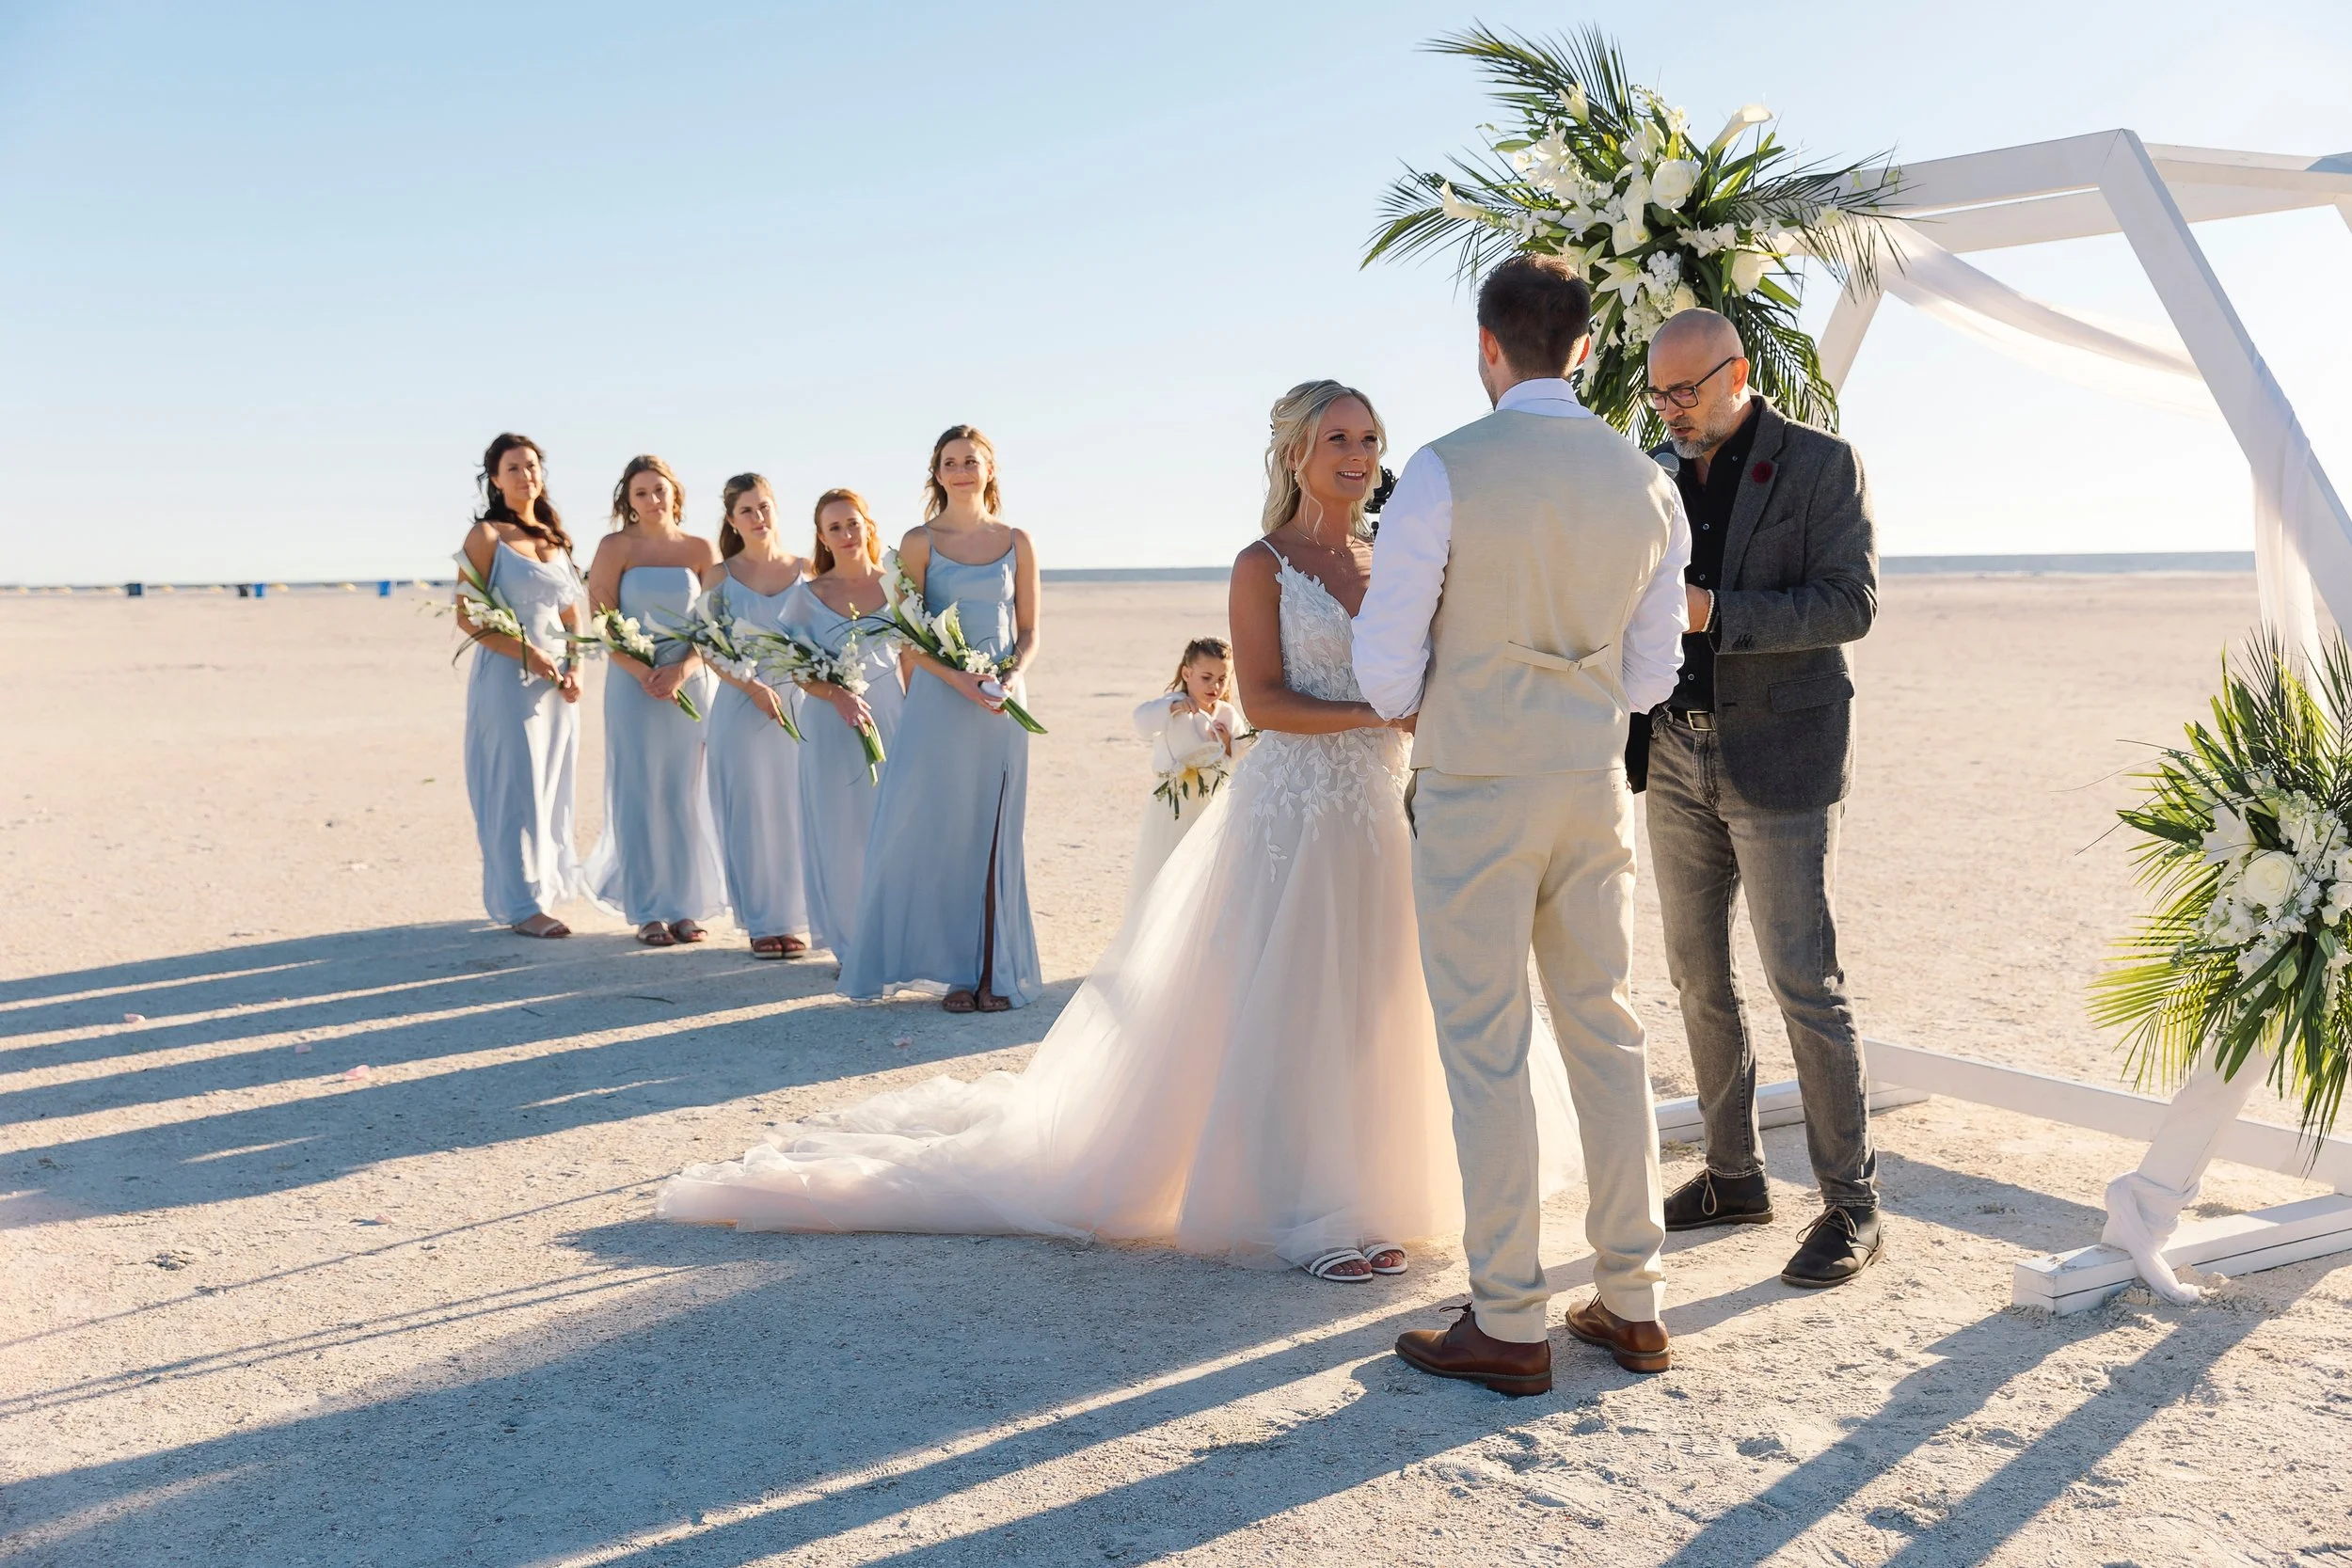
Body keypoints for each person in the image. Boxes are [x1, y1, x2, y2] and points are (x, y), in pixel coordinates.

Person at [657, 381, 1582, 1285]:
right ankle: (1306, 1207)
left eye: (1369, 439)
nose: (1358, 456)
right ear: (1296, 452)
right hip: (1295, 810)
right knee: (1292, 1005)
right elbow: (1263, 702)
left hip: (1383, 809)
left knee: (1379, 1001)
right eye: (1337, 438)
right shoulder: (1262, 563)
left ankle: (1377, 1192)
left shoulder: (1394, 556)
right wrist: (1381, 713)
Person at [1356, 255, 1692, 1393]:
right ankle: (1634, 1302)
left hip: (1476, 783)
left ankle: (1507, 1317)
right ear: (1585, 349)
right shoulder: (1647, 485)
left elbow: (1383, 663)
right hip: (1592, 783)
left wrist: (1450, 693)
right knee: (1608, 1029)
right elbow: (1651, 676)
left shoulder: (1444, 469)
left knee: (1486, 1044)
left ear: (1486, 347)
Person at [1638, 307, 1883, 1289]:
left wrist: (1715, 613)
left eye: (1685, 390)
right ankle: (1733, 1176)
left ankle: (1852, 1203)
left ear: (1737, 373)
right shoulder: (1652, 474)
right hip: (1670, 748)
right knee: (1696, 977)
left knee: (1803, 982)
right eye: (1658, 393)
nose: (1669, 409)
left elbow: (1851, 603)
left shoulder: (1823, 463)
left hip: (1782, 753)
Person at [839, 427, 1042, 1012]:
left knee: (995, 832)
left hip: (1001, 702)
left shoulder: (1018, 541)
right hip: (940, 699)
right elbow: (907, 636)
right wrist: (957, 680)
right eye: (950, 462)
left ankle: (993, 972)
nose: (961, 471)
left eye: (971, 461)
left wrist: (1010, 677)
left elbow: (1030, 630)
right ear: (937, 473)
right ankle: (957, 973)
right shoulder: (918, 541)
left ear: (989, 470)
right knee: (944, 829)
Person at [583, 454, 727, 946]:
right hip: (633, 683)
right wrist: (645, 672)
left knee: (683, 792)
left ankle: (684, 907)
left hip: (689, 681)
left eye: (659, 490)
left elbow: (715, 625)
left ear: (675, 493)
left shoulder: (699, 548)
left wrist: (681, 671)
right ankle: (647, 909)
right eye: (641, 493)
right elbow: (601, 621)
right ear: (628, 500)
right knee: (639, 791)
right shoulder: (615, 547)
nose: (652, 500)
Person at [456, 433, 587, 939]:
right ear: (495, 479)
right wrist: (529, 653)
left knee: (550, 784)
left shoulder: (554, 538)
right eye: (512, 468)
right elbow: (468, 616)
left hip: (556, 686)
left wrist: (576, 668)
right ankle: (522, 904)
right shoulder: (485, 536)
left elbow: (573, 615)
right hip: (508, 679)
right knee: (514, 786)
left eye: (531, 465)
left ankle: (543, 890)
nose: (525, 475)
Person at [777, 487, 907, 964]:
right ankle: (852, 948)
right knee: (839, 831)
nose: (847, 533)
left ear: (868, 525)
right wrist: (837, 695)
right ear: (822, 536)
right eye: (835, 527)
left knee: (891, 830)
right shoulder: (806, 596)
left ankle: (894, 940)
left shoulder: (897, 587)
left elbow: (913, 660)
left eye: (853, 523)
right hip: (829, 724)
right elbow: (796, 668)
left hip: (890, 717)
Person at [698, 473, 813, 958]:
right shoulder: (719, 577)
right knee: (750, 812)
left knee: (795, 809)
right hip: (742, 706)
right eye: (747, 510)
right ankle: (763, 923)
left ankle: (795, 918)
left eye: (764, 506)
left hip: (801, 706)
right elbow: (706, 646)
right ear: (732, 520)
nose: (758, 517)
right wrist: (754, 688)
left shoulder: (808, 569)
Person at [1127, 636, 1242, 911]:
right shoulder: (1174, 704)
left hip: (1211, 804)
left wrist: (1228, 744)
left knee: (1206, 872)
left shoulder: (1226, 714)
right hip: (1173, 807)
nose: (1215, 686)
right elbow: (1141, 721)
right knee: (1167, 864)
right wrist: (1172, 708)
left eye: (1222, 679)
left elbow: (1243, 754)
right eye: (1206, 678)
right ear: (1187, 674)